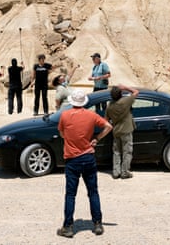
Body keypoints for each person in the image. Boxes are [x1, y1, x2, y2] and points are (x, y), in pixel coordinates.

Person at [56, 89, 113, 238]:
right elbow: (108, 126)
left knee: (70, 194)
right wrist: (97, 138)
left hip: (72, 159)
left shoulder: (65, 115)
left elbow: (61, 133)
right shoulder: (91, 115)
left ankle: (68, 226)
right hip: (88, 157)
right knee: (93, 192)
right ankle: (98, 223)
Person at [106, 84, 139, 179]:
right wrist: (126, 87)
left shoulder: (109, 106)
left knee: (116, 152)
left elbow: (106, 119)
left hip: (116, 131)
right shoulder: (126, 101)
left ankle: (116, 172)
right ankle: (125, 172)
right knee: (127, 152)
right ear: (120, 94)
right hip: (127, 130)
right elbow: (136, 92)